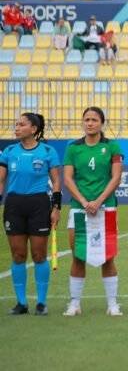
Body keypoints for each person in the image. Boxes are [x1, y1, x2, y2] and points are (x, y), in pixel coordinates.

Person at [62, 107, 123, 316]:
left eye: (94, 119)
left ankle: (112, 304)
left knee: (108, 257)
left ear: (101, 123)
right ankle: (74, 303)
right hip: (80, 209)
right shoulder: (73, 148)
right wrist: (84, 201)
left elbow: (116, 177)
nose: (90, 123)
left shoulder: (112, 146)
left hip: (106, 208)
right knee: (78, 256)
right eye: (86, 119)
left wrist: (97, 201)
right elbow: (68, 178)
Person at [0, 113, 61, 315]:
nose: (16, 127)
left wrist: (56, 208)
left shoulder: (47, 151)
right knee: (18, 255)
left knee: (39, 254)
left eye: (21, 124)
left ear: (33, 129)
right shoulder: (8, 151)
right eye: (16, 124)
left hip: (38, 205)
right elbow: (1, 181)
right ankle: (21, 303)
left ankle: (41, 302)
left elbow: (56, 182)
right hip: (14, 205)